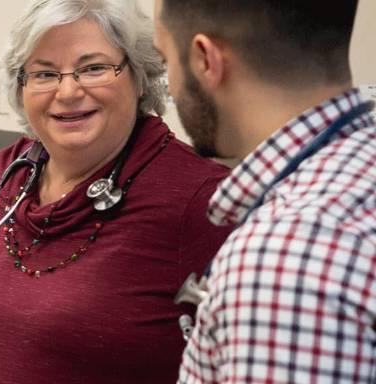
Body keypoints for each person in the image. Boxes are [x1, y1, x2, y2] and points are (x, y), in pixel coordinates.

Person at [0, 0, 234, 382]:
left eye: (92, 68)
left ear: (139, 75)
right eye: (44, 74)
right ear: (20, 85)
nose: (68, 91)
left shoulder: (202, 201)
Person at [154, 1, 376, 382]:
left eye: (165, 60)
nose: (170, 83)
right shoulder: (360, 171)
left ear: (206, 59)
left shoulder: (286, 257)